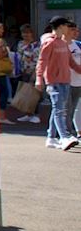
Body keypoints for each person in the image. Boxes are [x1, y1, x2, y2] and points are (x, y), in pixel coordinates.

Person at [37, 16, 79, 150]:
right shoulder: (49, 43)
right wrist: (39, 79)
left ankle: (51, 137)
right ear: (60, 27)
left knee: (58, 110)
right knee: (60, 110)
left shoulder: (63, 43)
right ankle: (64, 137)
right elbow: (42, 61)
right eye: (66, 26)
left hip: (65, 81)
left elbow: (71, 62)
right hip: (54, 82)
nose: (68, 28)